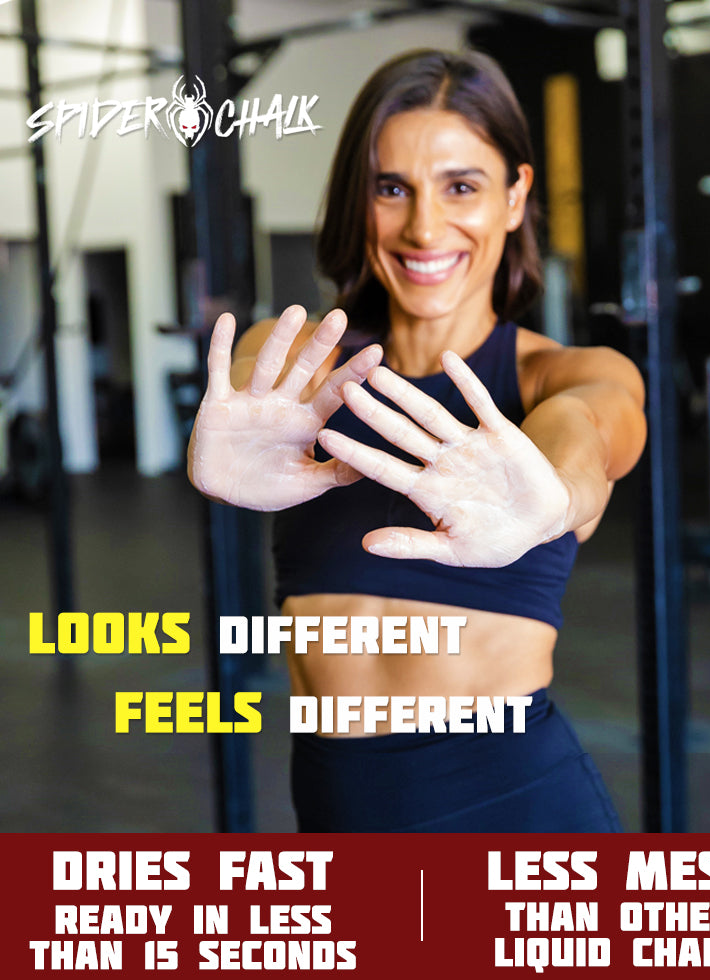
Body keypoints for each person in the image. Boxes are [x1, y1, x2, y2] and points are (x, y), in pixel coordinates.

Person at [188, 48, 647, 832]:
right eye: (391, 188)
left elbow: (594, 427)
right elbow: (250, 363)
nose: (424, 226)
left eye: (461, 186)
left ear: (515, 196)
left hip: (513, 808)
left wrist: (554, 493)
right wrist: (225, 418)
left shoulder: (558, 376)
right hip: (338, 807)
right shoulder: (305, 367)